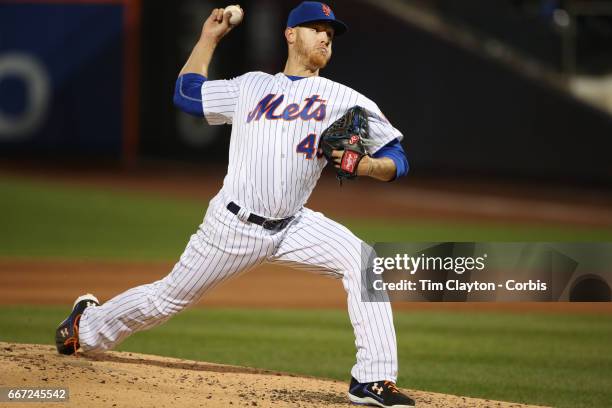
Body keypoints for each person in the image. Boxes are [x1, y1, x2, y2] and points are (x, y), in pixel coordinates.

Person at [55, 2, 414, 407]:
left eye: (331, 32)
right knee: (166, 299)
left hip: (293, 226)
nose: (326, 36)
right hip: (232, 226)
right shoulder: (251, 86)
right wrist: (209, 38)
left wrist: (370, 166)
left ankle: (372, 380)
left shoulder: (345, 100)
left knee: (364, 261)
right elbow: (187, 94)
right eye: (316, 28)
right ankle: (85, 326)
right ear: (290, 34)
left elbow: (397, 159)